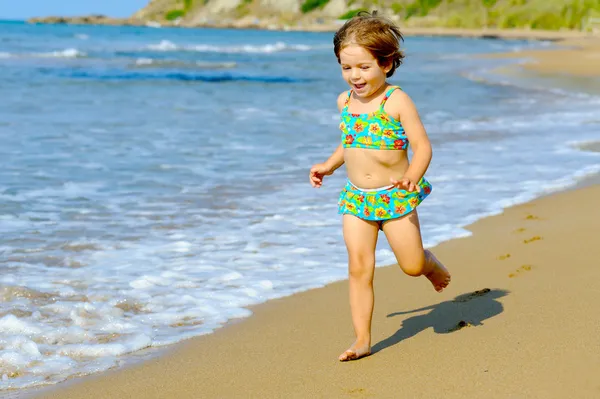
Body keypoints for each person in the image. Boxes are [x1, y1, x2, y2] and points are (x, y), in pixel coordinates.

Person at [309, 11, 451, 362]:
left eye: (363, 67)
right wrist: (329, 165)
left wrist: (412, 177)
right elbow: (350, 141)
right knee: (359, 267)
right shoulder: (345, 102)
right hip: (357, 199)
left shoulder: (396, 101)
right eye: (346, 68)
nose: (354, 76)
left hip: (395, 196)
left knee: (411, 265)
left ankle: (431, 266)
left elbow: (423, 146)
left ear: (386, 64)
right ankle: (362, 339)